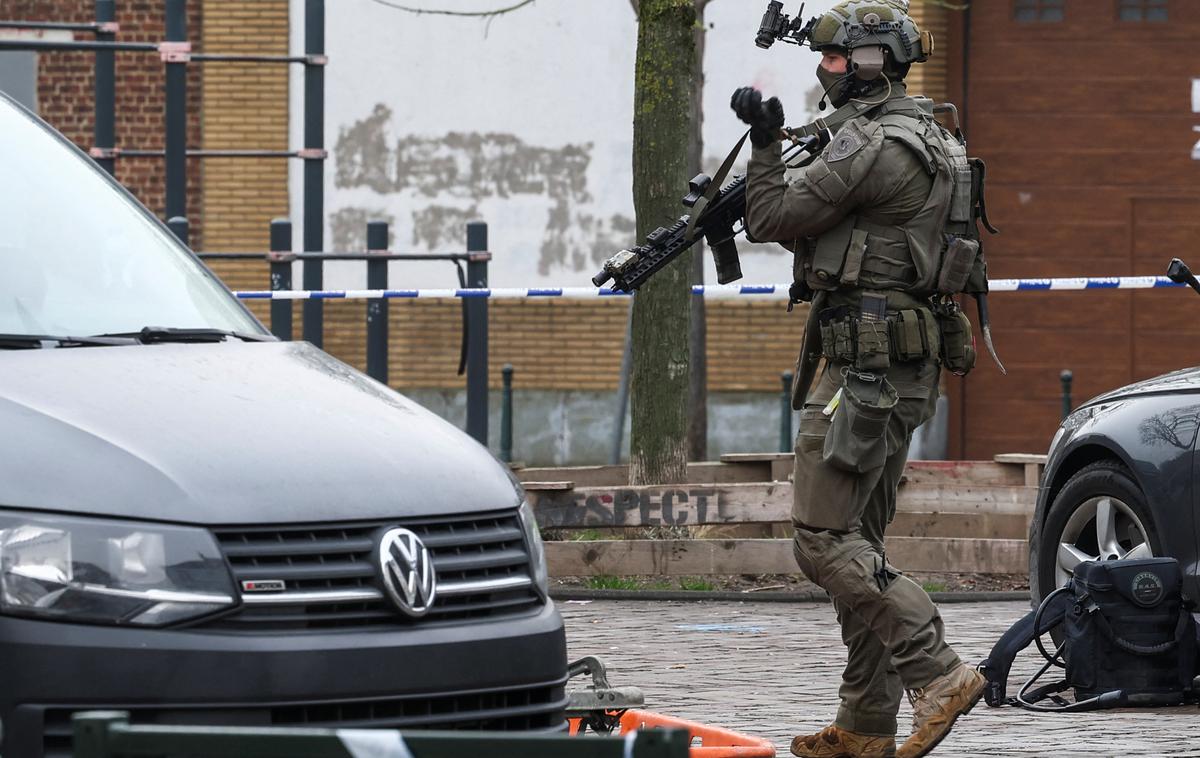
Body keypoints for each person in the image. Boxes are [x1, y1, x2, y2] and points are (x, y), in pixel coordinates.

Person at [731, 2, 987, 757]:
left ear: (874, 63)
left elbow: (773, 215)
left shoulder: (872, 143)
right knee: (859, 542)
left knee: (820, 539)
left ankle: (937, 671)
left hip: (862, 366)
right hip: (900, 368)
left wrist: (767, 142)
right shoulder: (934, 132)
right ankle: (866, 726)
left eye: (839, 60)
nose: (825, 69)